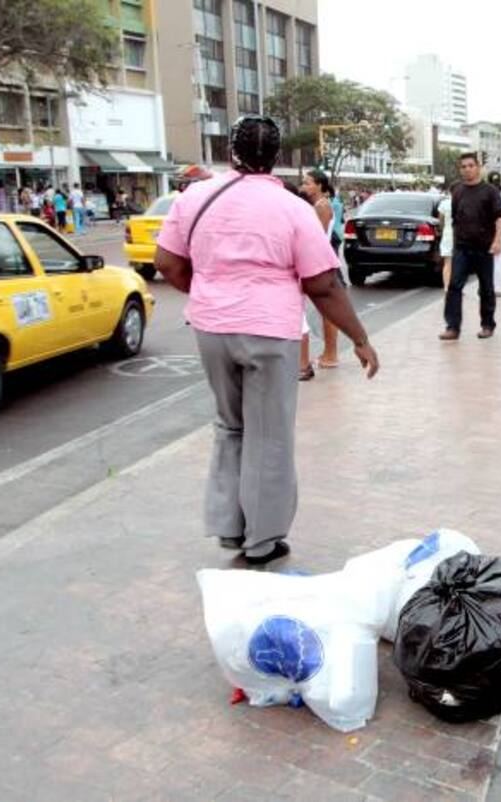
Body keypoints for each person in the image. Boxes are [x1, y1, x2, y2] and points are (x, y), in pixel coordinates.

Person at [153, 115, 378, 566]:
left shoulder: (194, 197)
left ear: (230, 152)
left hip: (212, 329)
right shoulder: (293, 208)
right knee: (268, 434)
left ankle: (229, 528)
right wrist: (359, 337)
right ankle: (262, 541)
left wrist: (210, 294)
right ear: (276, 157)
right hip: (270, 332)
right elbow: (323, 285)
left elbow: (168, 263)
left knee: (230, 426)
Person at [440, 152, 501, 340]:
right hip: (462, 247)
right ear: (460, 170)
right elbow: (455, 219)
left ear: (478, 168)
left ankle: (487, 325)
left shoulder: (490, 191)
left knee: (486, 288)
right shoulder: (458, 191)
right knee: (454, 286)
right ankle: (453, 327)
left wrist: (497, 240)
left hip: (484, 247)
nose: (467, 169)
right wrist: (454, 244)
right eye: (463, 167)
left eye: (471, 165)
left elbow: (500, 218)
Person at [298, 169, 342, 379]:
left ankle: (331, 354)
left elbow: (317, 236)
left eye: (308, 183)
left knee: (327, 310)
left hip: (319, 263)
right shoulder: (318, 205)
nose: (304, 186)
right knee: (326, 309)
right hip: (319, 262)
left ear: (319, 185)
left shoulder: (322, 206)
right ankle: (329, 353)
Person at [437, 183, 454, 289]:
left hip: (448, 234)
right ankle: (456, 288)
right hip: (461, 235)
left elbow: (440, 221)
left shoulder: (444, 204)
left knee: (447, 263)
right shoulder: (464, 202)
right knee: (460, 265)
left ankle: (447, 288)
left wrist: (442, 230)